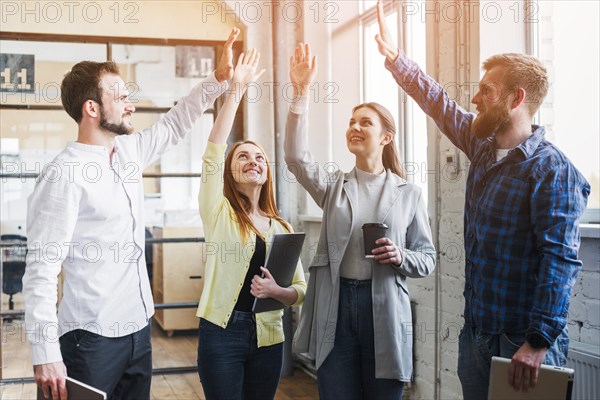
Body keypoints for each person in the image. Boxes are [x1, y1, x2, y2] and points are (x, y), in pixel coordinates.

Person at [374, 1, 590, 398]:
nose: (475, 99)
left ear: (516, 97)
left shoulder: (552, 170)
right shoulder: (484, 146)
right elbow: (439, 104)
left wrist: (538, 343)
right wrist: (397, 61)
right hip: (477, 334)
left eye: (486, 91)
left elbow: (559, 262)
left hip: (523, 344)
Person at [22, 27, 241, 400]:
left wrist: (218, 80)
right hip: (89, 339)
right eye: (120, 97)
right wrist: (45, 354)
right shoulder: (63, 174)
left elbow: (175, 123)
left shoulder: (128, 152)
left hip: (139, 331)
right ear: (91, 108)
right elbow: (40, 270)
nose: (130, 105)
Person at [287, 43, 436, 400]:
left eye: (364, 122)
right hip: (336, 307)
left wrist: (400, 255)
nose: (354, 127)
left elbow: (427, 258)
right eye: (351, 122)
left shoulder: (409, 193)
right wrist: (301, 92)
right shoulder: (334, 187)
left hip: (383, 309)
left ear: (385, 137)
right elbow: (294, 157)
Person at [196, 48, 306, 400]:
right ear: (229, 170)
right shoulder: (219, 212)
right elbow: (214, 149)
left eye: (260, 157)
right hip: (221, 332)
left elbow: (300, 290)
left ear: (267, 172)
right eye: (242, 156)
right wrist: (237, 91)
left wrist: (278, 293)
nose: (253, 161)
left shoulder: (282, 227)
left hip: (269, 337)